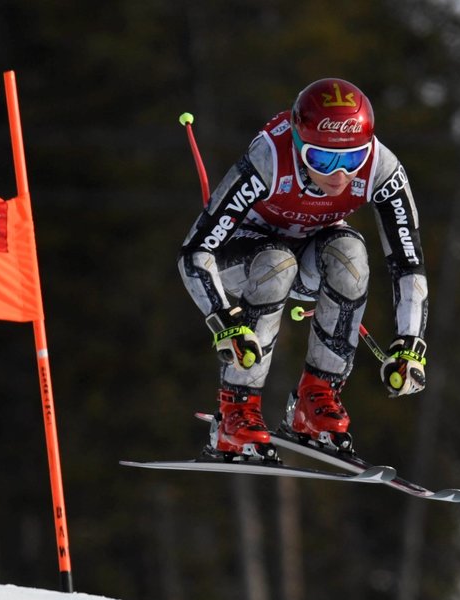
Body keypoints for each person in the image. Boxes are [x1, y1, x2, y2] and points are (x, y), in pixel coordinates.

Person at [178, 77, 428, 462]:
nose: (340, 174)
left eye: (352, 159)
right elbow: (196, 251)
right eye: (322, 159)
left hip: (308, 257)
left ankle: (315, 401)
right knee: (277, 263)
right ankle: (235, 414)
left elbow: (408, 260)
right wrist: (221, 317)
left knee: (350, 254)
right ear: (297, 145)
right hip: (241, 259)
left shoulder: (382, 167)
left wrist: (410, 342)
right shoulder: (269, 157)